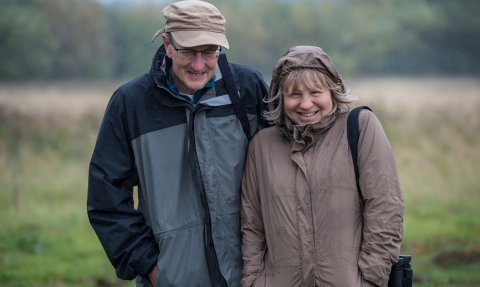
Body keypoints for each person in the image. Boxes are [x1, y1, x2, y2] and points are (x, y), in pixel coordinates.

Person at [87, 1, 269, 286]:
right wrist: (151, 267)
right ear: (167, 45)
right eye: (188, 52)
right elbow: (105, 197)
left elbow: (283, 174)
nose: (199, 65)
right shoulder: (131, 103)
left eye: (209, 52)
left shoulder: (246, 88)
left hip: (249, 278)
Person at [240, 46, 404, 287]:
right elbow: (251, 225)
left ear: (333, 91)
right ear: (280, 97)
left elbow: (385, 206)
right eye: (294, 94)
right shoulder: (261, 146)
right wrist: (253, 281)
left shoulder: (361, 127)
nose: (306, 104)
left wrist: (371, 279)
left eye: (316, 92)